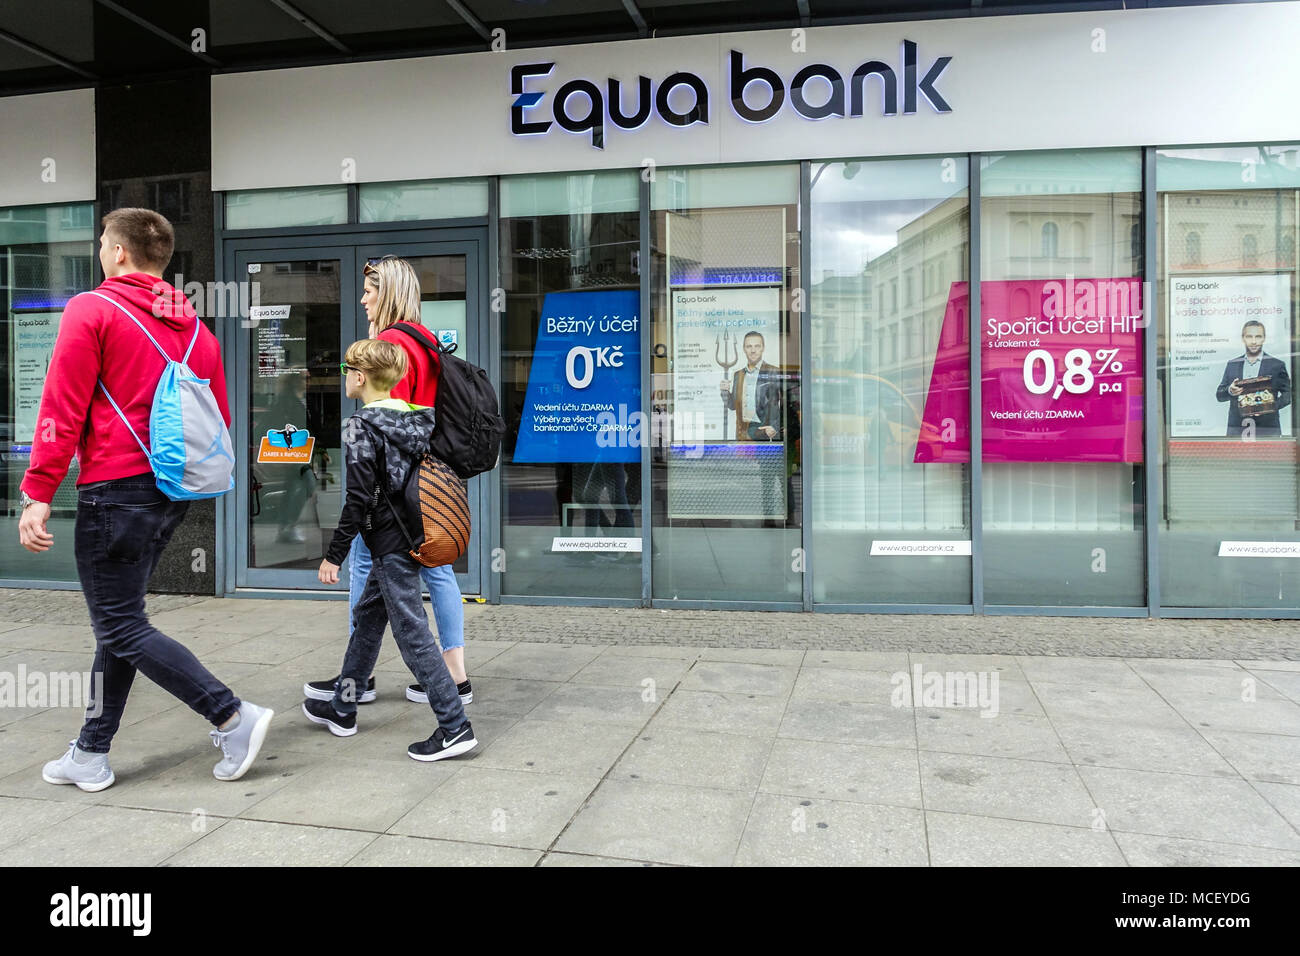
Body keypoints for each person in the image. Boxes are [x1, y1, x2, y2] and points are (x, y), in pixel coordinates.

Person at [19, 207, 272, 790]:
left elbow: (62, 408)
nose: (103, 251)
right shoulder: (197, 330)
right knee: (121, 624)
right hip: (169, 490)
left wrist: (37, 491)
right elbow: (218, 419)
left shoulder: (91, 309)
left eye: (105, 242)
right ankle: (90, 752)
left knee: (120, 625)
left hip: (113, 491)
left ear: (119, 253)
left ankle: (232, 715)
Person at [303, 255, 471, 708]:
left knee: (364, 564)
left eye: (369, 291)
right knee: (437, 568)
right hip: (430, 476)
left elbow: (387, 417)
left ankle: (359, 680)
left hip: (394, 483)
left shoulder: (393, 343)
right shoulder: (426, 338)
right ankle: (454, 673)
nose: (363, 299)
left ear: (389, 293)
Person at [1216, 320, 1291, 436]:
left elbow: (1289, 395)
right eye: (1249, 337)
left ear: (1264, 338)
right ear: (1243, 338)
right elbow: (1219, 395)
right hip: (1237, 429)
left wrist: (1268, 407)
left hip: (1268, 429)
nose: (1254, 341)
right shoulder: (1232, 364)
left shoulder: (1277, 365)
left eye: (1258, 336)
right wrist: (1230, 391)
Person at [720, 331, 788, 441]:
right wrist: (724, 392)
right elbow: (732, 405)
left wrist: (776, 427)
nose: (753, 350)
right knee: (742, 459)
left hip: (765, 432)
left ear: (763, 348)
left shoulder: (774, 372)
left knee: (765, 459)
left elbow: (787, 403)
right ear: (744, 349)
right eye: (749, 346)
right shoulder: (738, 375)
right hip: (742, 434)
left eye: (757, 346)